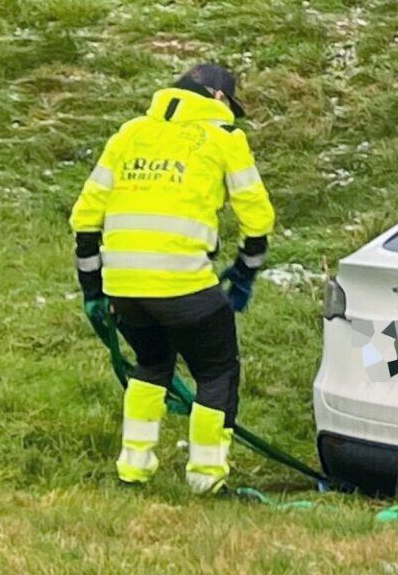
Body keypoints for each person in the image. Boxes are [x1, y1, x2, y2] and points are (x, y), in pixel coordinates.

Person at [69, 63, 274, 493]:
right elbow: (257, 216)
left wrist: (93, 289)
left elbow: (85, 217)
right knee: (217, 371)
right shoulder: (224, 138)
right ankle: (207, 479)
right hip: (184, 285)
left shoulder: (129, 134)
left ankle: (133, 469)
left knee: (151, 364)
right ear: (218, 98)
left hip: (124, 287)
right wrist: (244, 272)